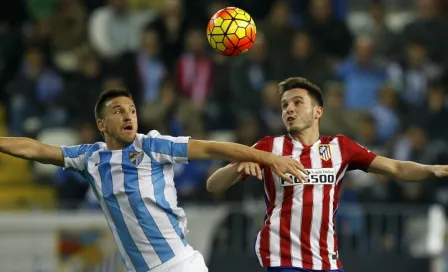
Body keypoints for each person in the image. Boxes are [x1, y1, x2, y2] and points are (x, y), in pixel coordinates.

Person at [0, 88, 306, 272]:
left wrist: (269, 158)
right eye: (118, 111)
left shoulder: (152, 146)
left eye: (132, 110)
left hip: (179, 266)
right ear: (101, 123)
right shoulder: (88, 158)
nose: (128, 115)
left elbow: (211, 147)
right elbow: (36, 148)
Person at [206, 77, 448, 272]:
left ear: (317, 112)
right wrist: (238, 166)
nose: (289, 109)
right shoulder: (269, 147)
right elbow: (213, 185)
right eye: (284, 105)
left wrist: (432, 170)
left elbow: (396, 168)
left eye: (297, 102)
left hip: (327, 260)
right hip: (283, 258)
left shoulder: (340, 148)